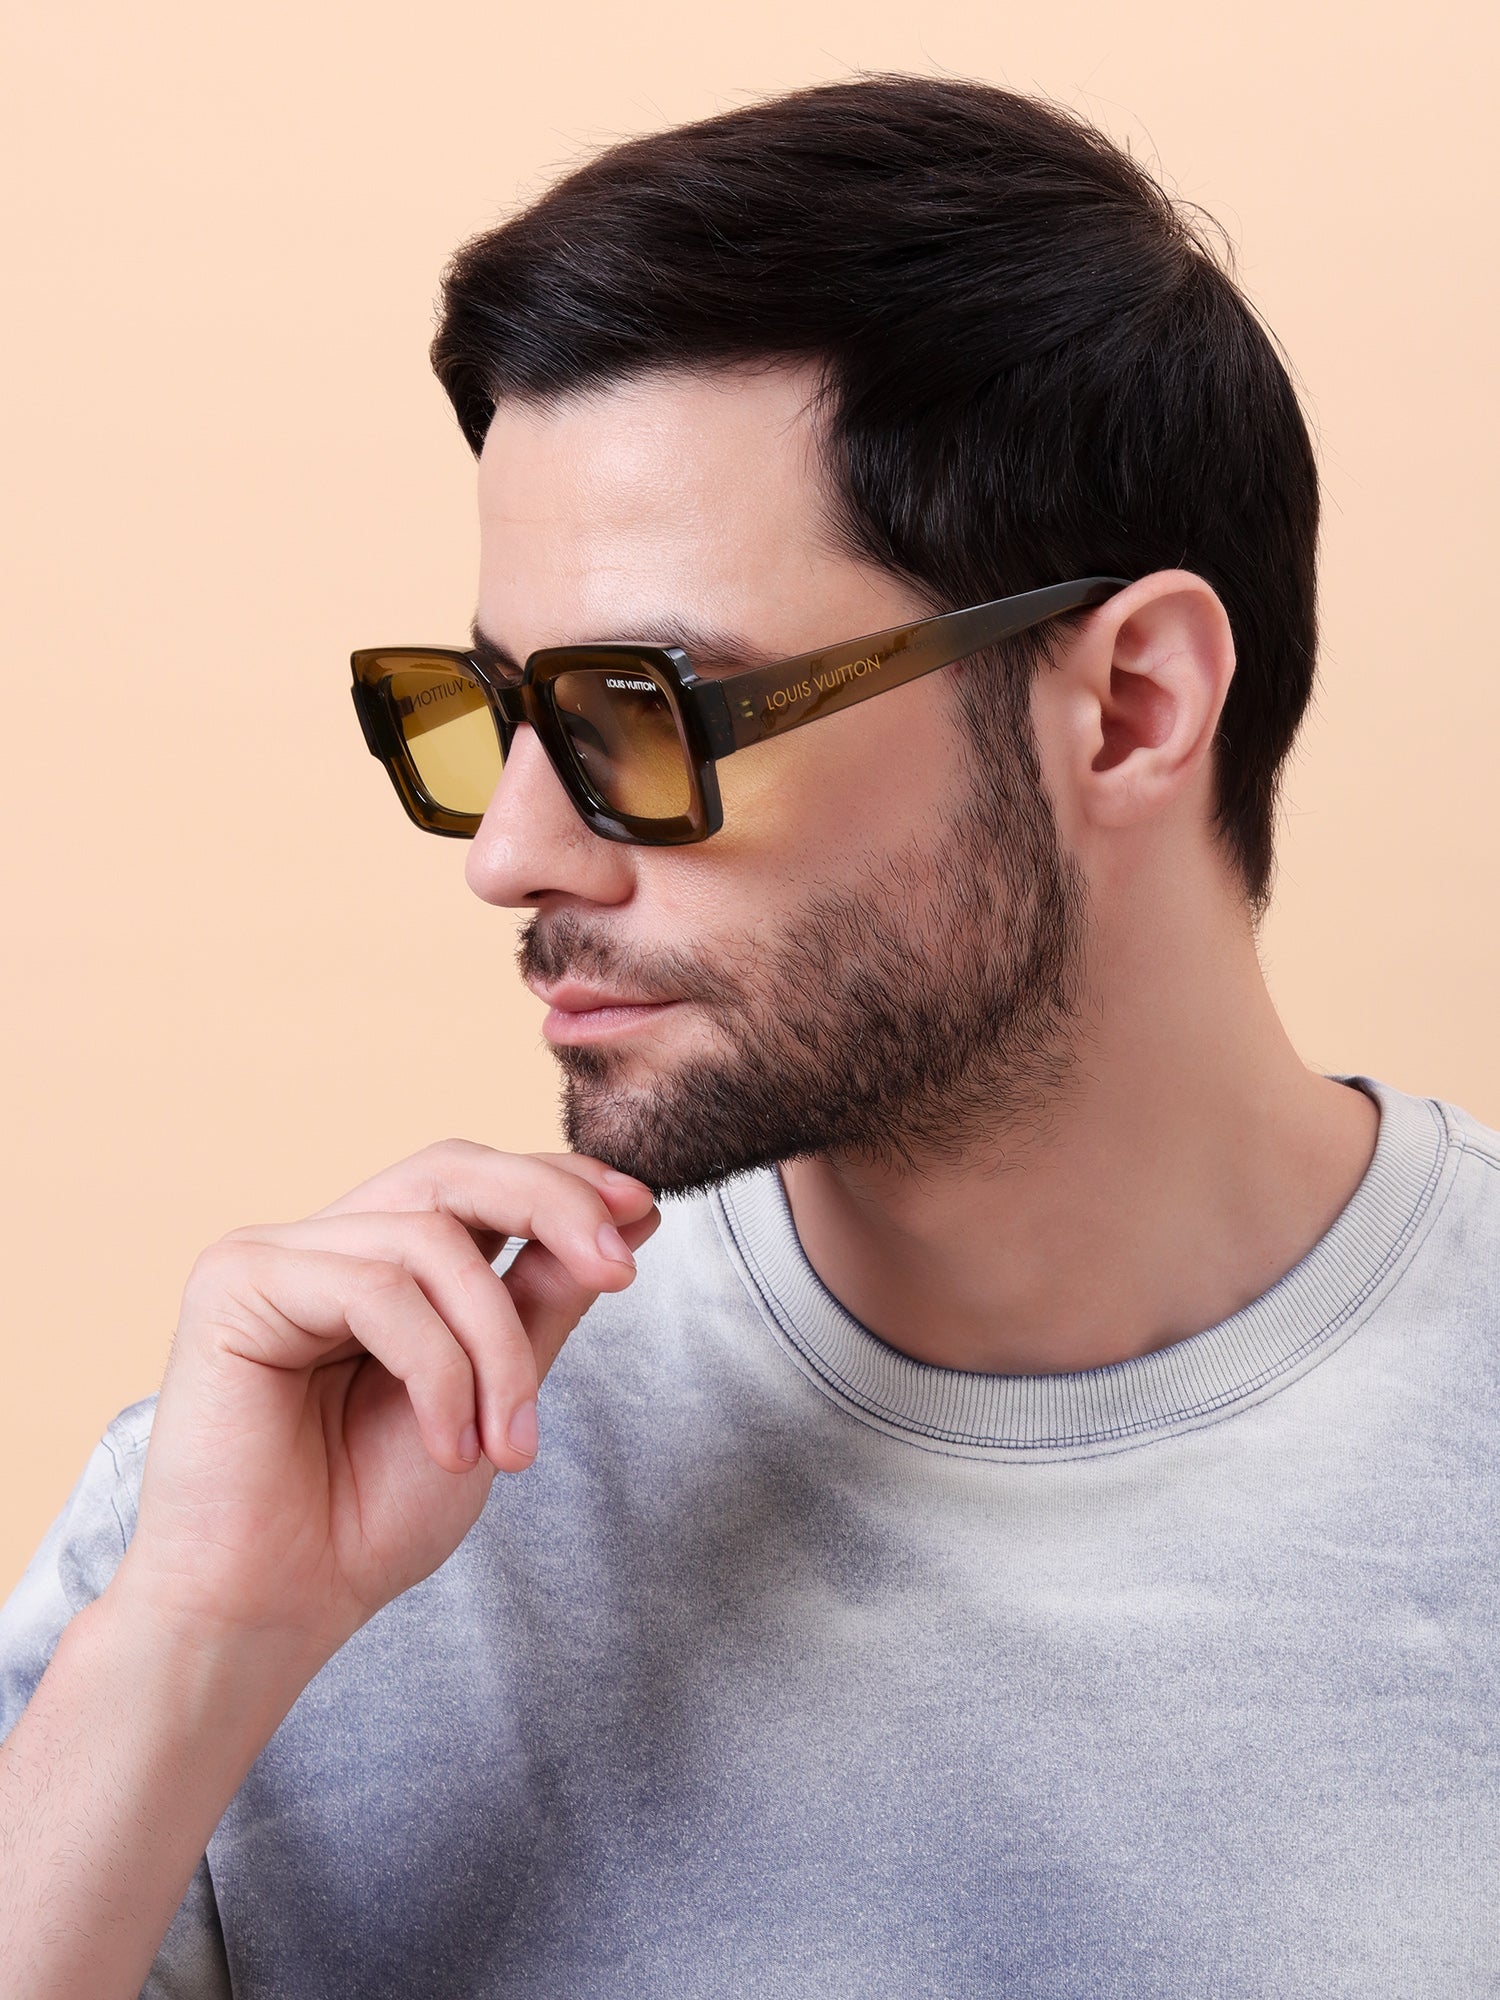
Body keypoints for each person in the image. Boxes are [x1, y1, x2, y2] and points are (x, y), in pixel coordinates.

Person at [1, 72, 1495, 2000]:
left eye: (647, 716)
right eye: (493, 715)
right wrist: (190, 1650)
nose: (513, 855)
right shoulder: (278, 1510)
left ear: (1130, 706)